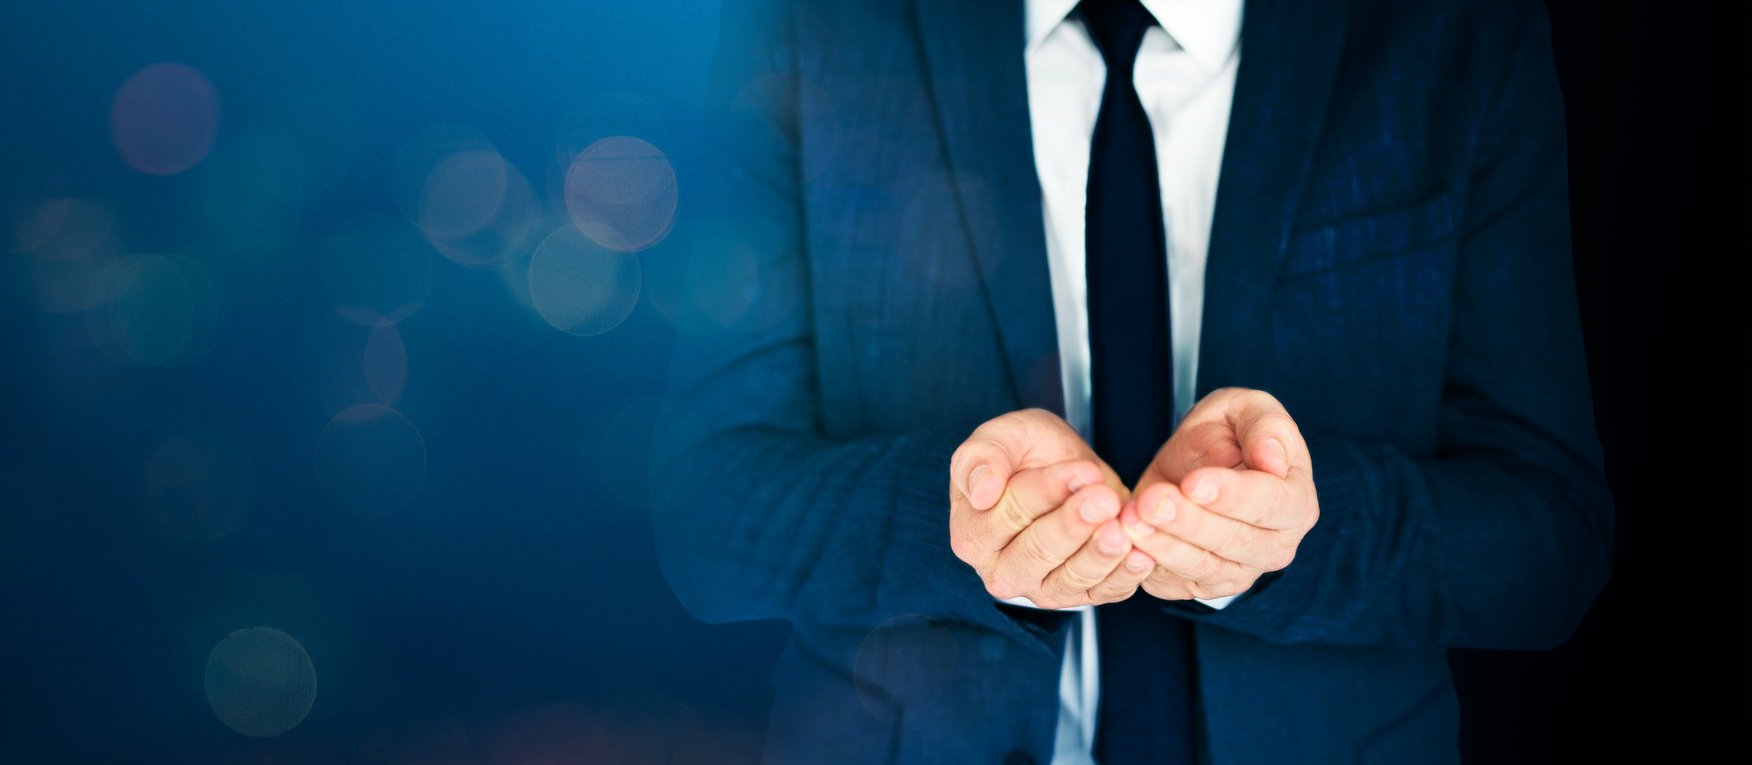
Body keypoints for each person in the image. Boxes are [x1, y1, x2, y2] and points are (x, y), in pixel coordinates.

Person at [651, 0, 1611, 762]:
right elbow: (704, 516)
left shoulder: (1461, 30)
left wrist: (1299, 532)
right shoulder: (811, 22)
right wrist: (954, 517)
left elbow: (1547, 539)